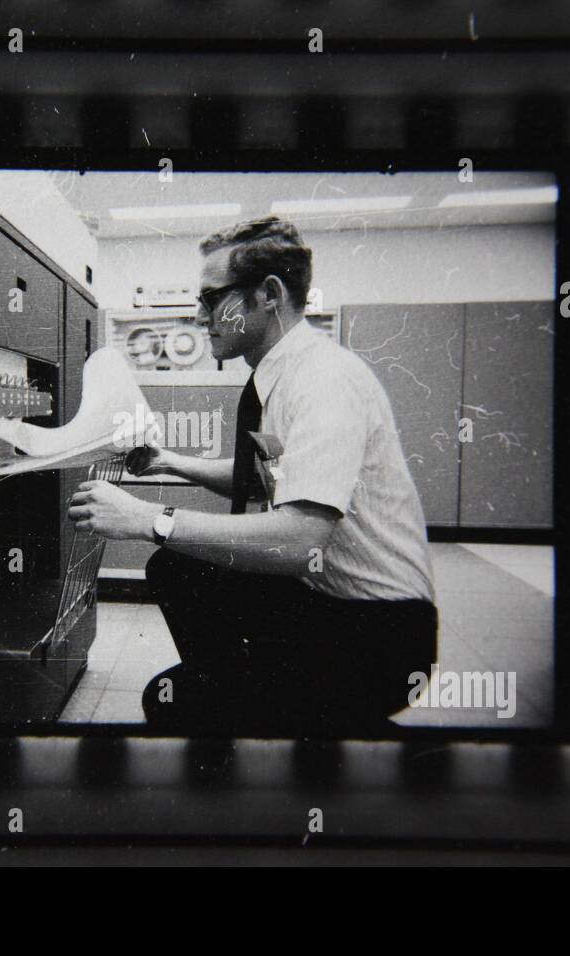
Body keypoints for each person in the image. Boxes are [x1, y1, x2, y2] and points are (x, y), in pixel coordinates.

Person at [67, 216, 437, 736]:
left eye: (212, 297)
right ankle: (268, 702)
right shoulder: (282, 375)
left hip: (380, 631)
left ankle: (294, 715)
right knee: (179, 570)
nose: (200, 316)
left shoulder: (322, 381)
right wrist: (171, 463)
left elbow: (298, 539)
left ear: (268, 293)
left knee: (172, 701)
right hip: (324, 598)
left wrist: (148, 517)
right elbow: (268, 480)